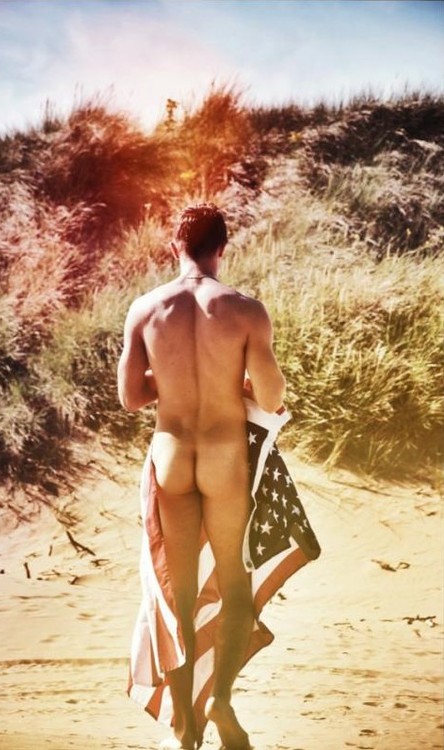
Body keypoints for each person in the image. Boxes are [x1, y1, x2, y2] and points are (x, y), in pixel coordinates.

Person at [117, 203, 286, 750]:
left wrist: (170, 380)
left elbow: (130, 396)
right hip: (224, 456)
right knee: (235, 584)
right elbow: (272, 397)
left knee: (180, 594)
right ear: (222, 249)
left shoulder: (145, 308)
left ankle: (185, 729)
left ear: (175, 247)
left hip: (172, 455)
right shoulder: (246, 310)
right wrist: (231, 382)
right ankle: (222, 700)